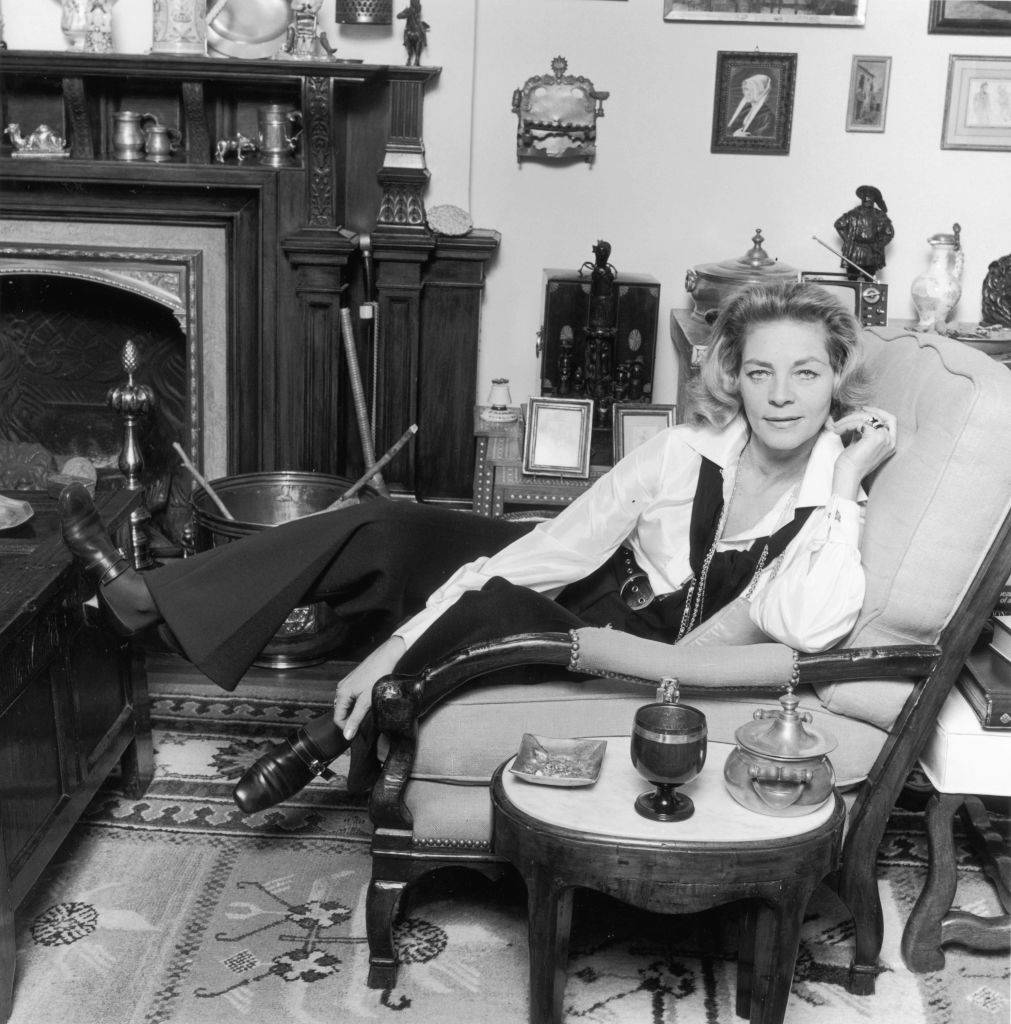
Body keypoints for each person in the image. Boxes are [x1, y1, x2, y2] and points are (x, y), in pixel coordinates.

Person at [59, 280, 897, 815]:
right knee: (392, 521)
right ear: (732, 376)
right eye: (760, 373)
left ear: (834, 381)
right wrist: (398, 639)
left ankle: (322, 738)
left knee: (488, 602)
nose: (781, 396)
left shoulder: (831, 491)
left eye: (804, 374)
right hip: (583, 583)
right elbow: (555, 549)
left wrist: (848, 483)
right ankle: (155, 597)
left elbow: (811, 625)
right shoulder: (684, 452)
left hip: (630, 652)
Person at [833, 185, 894, 281]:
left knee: (870, 279)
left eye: (869, 197)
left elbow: (889, 233)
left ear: (874, 199)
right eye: (864, 196)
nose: (867, 199)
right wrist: (847, 240)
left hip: (871, 252)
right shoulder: (853, 213)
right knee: (852, 278)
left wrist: (879, 245)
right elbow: (839, 224)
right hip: (855, 251)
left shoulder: (880, 216)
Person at [726, 74, 774, 139]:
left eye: (751, 90)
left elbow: (763, 138)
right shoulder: (746, 108)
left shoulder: (768, 116)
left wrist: (740, 136)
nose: (746, 93)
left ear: (760, 91)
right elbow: (731, 129)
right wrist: (734, 134)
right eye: (745, 89)